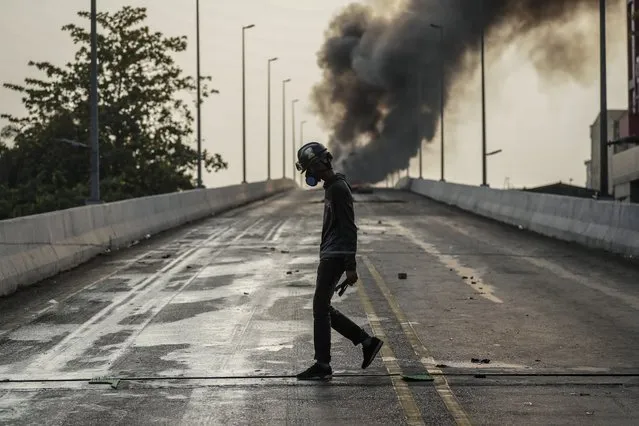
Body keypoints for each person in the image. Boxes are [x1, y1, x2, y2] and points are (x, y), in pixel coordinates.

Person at [294, 141, 384, 381]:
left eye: (309, 169)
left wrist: (350, 265)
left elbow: (348, 228)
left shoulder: (337, 189)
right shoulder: (333, 186)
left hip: (334, 256)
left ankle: (323, 364)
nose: (310, 175)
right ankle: (366, 342)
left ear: (317, 166)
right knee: (322, 307)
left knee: (319, 308)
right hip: (331, 254)